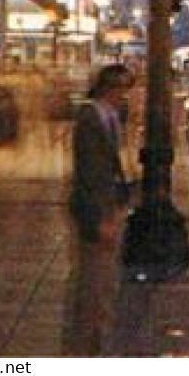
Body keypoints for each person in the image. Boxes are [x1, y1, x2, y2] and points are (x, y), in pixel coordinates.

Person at [65, 63, 134, 356]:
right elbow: (90, 172)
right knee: (93, 281)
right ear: (110, 88)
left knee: (103, 281)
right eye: (123, 90)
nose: (126, 97)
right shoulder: (92, 117)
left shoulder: (109, 116)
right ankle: (86, 347)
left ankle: (97, 339)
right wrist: (99, 219)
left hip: (108, 207)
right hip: (95, 211)